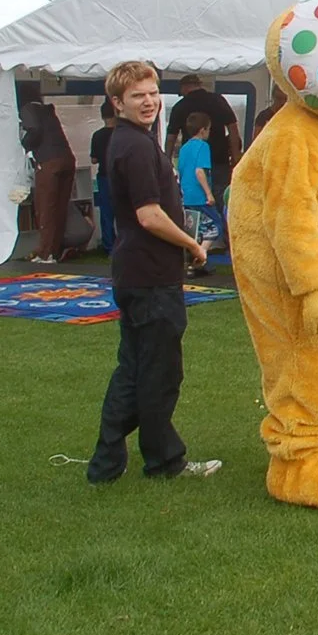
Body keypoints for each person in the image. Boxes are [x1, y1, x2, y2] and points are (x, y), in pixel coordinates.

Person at [86, 59, 220, 484]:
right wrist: (192, 244)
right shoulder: (135, 146)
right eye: (137, 96)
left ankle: (110, 462)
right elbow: (149, 215)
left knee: (137, 369)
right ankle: (162, 461)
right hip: (148, 277)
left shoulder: (132, 141)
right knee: (157, 373)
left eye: (151, 93)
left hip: (140, 273)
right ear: (117, 102)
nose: (148, 102)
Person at [166, 75, 240, 204]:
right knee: (220, 198)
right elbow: (233, 128)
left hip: (192, 164)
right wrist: (236, 156)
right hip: (219, 159)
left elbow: (171, 137)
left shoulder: (180, 106)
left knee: (196, 199)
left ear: (184, 88)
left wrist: (167, 160)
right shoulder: (218, 100)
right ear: (199, 84)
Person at [20, 95, 77, 263]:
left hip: (48, 161)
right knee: (60, 207)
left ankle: (45, 252)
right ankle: (55, 250)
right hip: (67, 158)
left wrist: (24, 144)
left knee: (45, 208)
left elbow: (34, 130)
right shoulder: (48, 112)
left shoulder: (28, 109)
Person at [176, 111, 216, 274]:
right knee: (214, 227)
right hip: (200, 196)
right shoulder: (203, 146)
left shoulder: (184, 148)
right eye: (208, 129)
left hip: (187, 195)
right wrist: (209, 193)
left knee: (195, 230)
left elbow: (181, 171)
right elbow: (199, 171)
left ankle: (193, 262)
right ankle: (200, 258)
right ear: (202, 130)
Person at [89, 99, 117, 254]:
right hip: (119, 177)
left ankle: (109, 245)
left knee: (106, 212)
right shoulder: (121, 134)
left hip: (103, 176)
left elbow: (94, 159)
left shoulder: (97, 135)